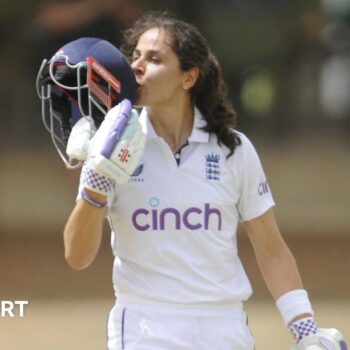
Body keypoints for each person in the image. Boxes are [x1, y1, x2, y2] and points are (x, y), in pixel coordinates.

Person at [41, 11, 347, 350]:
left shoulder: (234, 149)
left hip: (225, 329)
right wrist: (95, 186)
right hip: (145, 328)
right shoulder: (111, 144)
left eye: (154, 59)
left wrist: (305, 331)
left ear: (189, 77)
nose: (137, 67)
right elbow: (77, 256)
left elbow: (271, 250)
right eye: (135, 57)